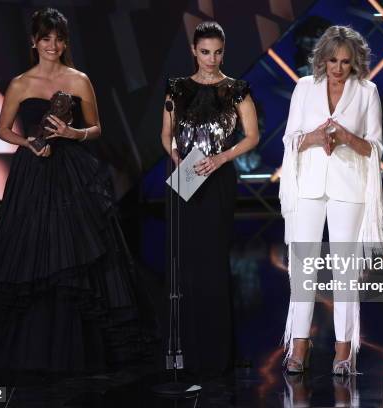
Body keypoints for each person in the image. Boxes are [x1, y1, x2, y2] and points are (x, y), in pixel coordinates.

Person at [0, 7, 153, 383]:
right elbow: (3, 129)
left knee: (77, 251)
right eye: (45, 38)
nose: (52, 45)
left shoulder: (79, 79)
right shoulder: (20, 83)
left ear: (66, 42)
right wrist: (29, 144)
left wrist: (74, 134)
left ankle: (82, 344)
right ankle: (26, 344)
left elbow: (96, 127)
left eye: (58, 39)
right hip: (33, 170)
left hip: (72, 171)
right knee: (30, 246)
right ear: (34, 41)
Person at [279, 26, 383, 375]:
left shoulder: (368, 92)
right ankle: (299, 346)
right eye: (332, 61)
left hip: (350, 189)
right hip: (308, 186)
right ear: (322, 59)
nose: (338, 68)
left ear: (356, 62)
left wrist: (345, 136)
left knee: (345, 272)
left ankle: (344, 350)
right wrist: (312, 137)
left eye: (345, 62)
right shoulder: (303, 88)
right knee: (302, 269)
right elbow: (290, 138)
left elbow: (375, 147)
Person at [161, 21, 259, 378]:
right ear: (193, 50)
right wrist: (175, 155)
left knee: (214, 262)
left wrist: (221, 158)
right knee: (183, 264)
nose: (211, 59)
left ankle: (217, 352)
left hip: (218, 179)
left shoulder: (236, 89)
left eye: (217, 52)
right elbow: (166, 135)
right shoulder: (177, 88)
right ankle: (184, 349)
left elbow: (252, 137)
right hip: (185, 177)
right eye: (205, 52)